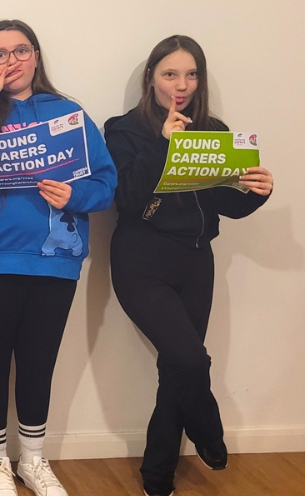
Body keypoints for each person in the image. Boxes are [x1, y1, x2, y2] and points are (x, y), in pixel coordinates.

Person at [0, 20, 117, 496]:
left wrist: (73, 194)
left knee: (39, 362)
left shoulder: (68, 112)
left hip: (56, 261)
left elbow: (105, 185)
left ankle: (33, 461)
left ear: (36, 56)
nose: (11, 61)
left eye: (20, 51)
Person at [104, 35, 273, 496]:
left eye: (191, 74)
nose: (182, 85)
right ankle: (209, 431)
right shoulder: (123, 129)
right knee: (191, 360)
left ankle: (157, 479)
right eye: (170, 74)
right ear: (151, 79)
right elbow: (130, 201)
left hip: (197, 261)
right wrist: (164, 145)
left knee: (176, 368)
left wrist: (256, 193)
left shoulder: (214, 130)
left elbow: (224, 204)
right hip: (142, 259)